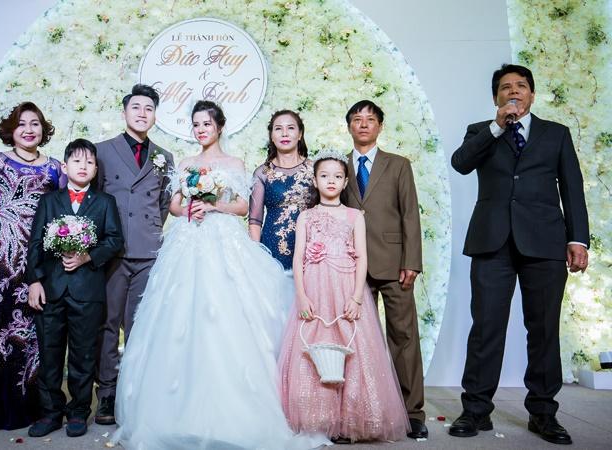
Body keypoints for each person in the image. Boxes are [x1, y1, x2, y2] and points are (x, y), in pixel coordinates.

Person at [111, 101, 329, 449]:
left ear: (219, 127)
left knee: (229, 315)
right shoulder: (186, 163)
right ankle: (176, 412)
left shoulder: (235, 164)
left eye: (207, 124)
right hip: (188, 239)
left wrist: (213, 204)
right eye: (196, 125)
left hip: (223, 239)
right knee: (180, 314)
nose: (201, 130)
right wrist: (190, 208)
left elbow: (243, 207)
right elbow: (174, 205)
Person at [449, 64, 589, 445]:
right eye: (506, 87)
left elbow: (572, 187)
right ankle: (475, 410)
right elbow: (461, 164)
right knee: (486, 328)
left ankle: (543, 413)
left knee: (543, 330)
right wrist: (497, 127)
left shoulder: (556, 134)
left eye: (521, 86)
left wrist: (578, 239)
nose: (513, 92)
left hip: (545, 242)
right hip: (491, 242)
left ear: (532, 94)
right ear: (496, 97)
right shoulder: (481, 131)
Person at [278, 152, 410, 443]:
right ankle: (318, 417)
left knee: (352, 346)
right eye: (324, 176)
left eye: (337, 176)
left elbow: (362, 257)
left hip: (346, 286)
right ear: (315, 180)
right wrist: (301, 296)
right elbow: (298, 258)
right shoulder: (306, 216)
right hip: (314, 287)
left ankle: (352, 418)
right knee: (313, 345)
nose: (331, 181)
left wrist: (357, 298)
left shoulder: (354, 216)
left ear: (346, 181)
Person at [0, 102, 65, 432]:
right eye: (21, 124)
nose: (28, 129)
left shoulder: (56, 168)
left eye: (35, 123)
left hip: (40, 258)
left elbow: (65, 213)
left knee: (35, 332)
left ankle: (34, 407)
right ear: (11, 130)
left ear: (43, 129)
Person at [25, 139, 124, 438]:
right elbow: (35, 243)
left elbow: (114, 240)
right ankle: (51, 412)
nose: (83, 166)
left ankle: (79, 411)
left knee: (83, 354)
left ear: (95, 169)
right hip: (51, 289)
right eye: (77, 161)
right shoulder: (49, 201)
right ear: (64, 167)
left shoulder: (105, 202)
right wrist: (35, 281)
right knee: (50, 354)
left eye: (89, 162)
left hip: (88, 291)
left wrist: (87, 257)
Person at [342, 100, 427, 439]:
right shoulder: (338, 166)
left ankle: (413, 412)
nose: (363, 124)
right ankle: (360, 410)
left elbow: (410, 214)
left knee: (403, 337)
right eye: (357, 119)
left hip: (394, 264)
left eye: (370, 119)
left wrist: (412, 261)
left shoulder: (398, 165)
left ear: (379, 126)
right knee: (355, 340)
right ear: (349, 126)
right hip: (351, 265)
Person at [94, 84, 174, 425]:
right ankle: (107, 393)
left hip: (147, 251)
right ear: (125, 112)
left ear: (155, 116)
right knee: (108, 323)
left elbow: (163, 203)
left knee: (140, 324)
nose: (142, 113)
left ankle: (135, 391)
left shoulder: (164, 156)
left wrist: (147, 229)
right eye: (136, 107)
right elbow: (95, 199)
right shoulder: (101, 151)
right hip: (112, 251)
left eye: (149, 109)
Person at [249, 109, 315, 270]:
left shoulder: (315, 169)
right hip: (272, 249)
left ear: (300, 134)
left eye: (291, 128)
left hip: (311, 248)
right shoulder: (262, 173)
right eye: (278, 128)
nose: (285, 133)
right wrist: (256, 256)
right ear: (271, 136)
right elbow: (255, 221)